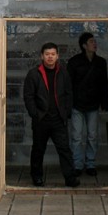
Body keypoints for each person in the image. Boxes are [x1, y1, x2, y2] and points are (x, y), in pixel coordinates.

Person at [23, 42, 80, 188]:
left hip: (58, 119)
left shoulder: (63, 72)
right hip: (41, 119)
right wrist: (35, 114)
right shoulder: (34, 74)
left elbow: (69, 93)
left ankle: (70, 178)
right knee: (38, 150)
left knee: (64, 149)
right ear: (42, 56)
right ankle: (37, 177)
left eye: (53, 54)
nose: (50, 57)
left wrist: (66, 112)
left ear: (57, 56)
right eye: (47, 54)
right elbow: (28, 96)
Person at [67, 32, 108, 176]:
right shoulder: (74, 62)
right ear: (84, 45)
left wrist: (104, 103)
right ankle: (77, 164)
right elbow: (69, 85)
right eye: (91, 41)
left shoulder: (101, 62)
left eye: (95, 41)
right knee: (77, 136)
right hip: (77, 104)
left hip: (93, 104)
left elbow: (104, 84)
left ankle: (90, 163)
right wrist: (68, 104)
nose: (94, 44)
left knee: (92, 135)